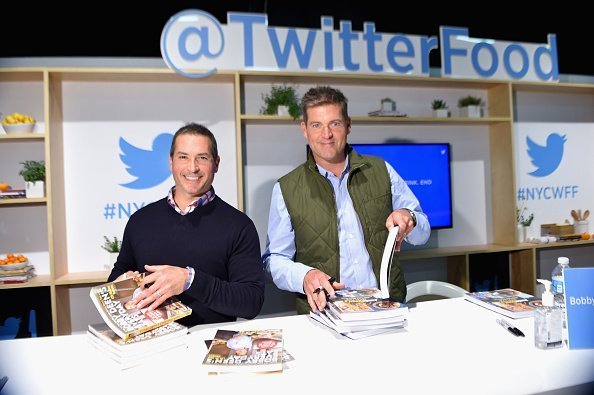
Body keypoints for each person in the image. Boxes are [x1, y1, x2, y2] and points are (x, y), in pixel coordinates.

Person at [262, 86, 430, 314]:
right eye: (316, 125)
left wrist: (410, 218)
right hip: (325, 315)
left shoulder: (382, 170)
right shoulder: (286, 188)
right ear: (304, 129)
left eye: (335, 123)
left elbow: (423, 233)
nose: (326, 134)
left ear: (348, 124)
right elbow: (274, 261)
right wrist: (305, 276)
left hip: (387, 309)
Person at [108, 123, 265, 326]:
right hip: (148, 343)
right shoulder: (140, 220)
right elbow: (115, 279)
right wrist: (123, 284)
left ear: (216, 163)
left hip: (208, 344)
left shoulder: (239, 226)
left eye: (202, 157)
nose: (193, 167)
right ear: (171, 162)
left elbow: (251, 302)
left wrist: (190, 280)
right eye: (183, 157)